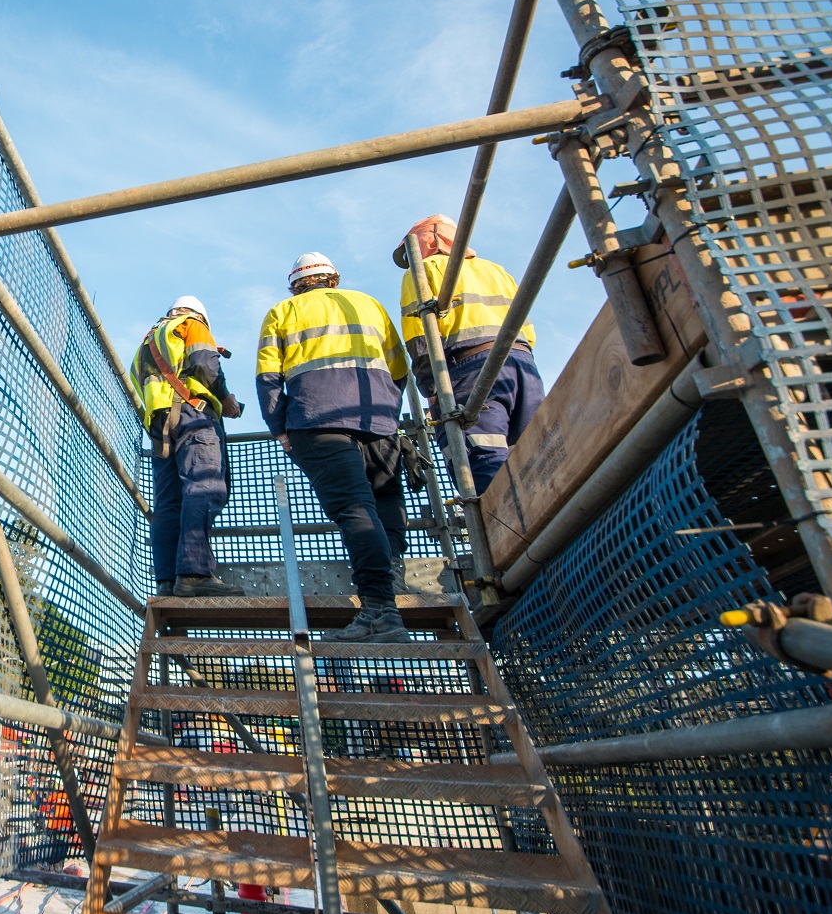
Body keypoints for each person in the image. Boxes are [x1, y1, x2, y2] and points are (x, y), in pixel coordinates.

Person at [256, 252, 409, 640]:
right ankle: (390, 575)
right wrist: (387, 411)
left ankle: (379, 610)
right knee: (385, 498)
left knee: (353, 508)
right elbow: (399, 368)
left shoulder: (283, 312)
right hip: (377, 417)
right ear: (333, 279)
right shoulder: (369, 303)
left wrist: (280, 429)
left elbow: (268, 379)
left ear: (295, 285)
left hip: (317, 420)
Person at [396, 214, 543, 491]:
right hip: (523, 366)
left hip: (469, 368)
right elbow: (527, 326)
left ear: (421, 244)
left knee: (481, 455)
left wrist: (432, 387)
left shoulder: (423, 269)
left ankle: (500, 531)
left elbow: (420, 336)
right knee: (538, 452)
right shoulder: (495, 270)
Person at [132, 295, 245, 598]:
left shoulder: (150, 340)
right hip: (193, 416)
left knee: (168, 503)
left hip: (161, 428)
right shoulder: (191, 324)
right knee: (205, 486)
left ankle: (167, 582)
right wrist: (226, 397)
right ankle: (194, 573)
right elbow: (205, 365)